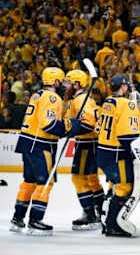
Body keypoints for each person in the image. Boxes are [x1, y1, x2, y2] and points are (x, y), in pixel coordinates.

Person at [10, 67, 79, 235]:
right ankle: (35, 220)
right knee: (45, 183)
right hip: (40, 145)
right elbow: (47, 123)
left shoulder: (38, 94)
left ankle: (17, 219)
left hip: (27, 143)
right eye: (61, 81)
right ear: (55, 82)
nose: (63, 84)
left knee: (28, 182)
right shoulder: (52, 97)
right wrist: (68, 127)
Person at [97, 73, 140, 237]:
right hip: (117, 154)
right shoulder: (126, 105)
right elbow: (126, 135)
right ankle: (113, 223)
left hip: (103, 151)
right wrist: (134, 152)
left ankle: (106, 218)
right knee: (125, 186)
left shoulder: (108, 101)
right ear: (123, 87)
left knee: (114, 185)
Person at [63, 70, 104, 230]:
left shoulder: (81, 100)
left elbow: (87, 124)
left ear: (77, 84)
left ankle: (90, 215)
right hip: (90, 142)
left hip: (86, 143)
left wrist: (71, 129)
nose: (65, 86)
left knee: (78, 178)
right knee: (92, 179)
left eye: (68, 83)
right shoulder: (81, 99)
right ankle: (101, 212)